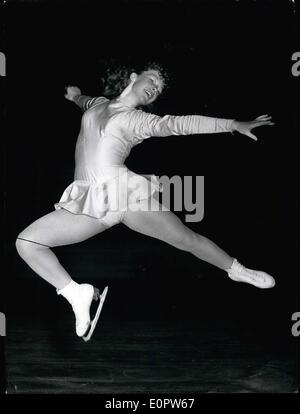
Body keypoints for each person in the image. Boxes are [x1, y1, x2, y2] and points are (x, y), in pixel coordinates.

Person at [15, 62, 276, 341]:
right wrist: (75, 95)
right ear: (133, 77)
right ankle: (76, 293)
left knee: (186, 239)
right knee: (27, 243)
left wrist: (233, 124)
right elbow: (85, 101)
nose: (155, 88)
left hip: (123, 194)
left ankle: (237, 270)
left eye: (158, 89)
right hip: (89, 200)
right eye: (152, 80)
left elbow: (179, 124)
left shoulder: (137, 120)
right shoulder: (98, 103)